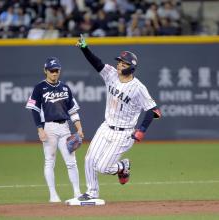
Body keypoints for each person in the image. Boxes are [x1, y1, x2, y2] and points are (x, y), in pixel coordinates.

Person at [76, 35, 161, 201]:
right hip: (106, 126)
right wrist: (84, 48)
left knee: (102, 167)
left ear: (132, 67)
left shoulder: (138, 88)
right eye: (119, 61)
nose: (120, 64)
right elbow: (97, 63)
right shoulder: (111, 74)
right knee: (89, 159)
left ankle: (123, 166)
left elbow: (153, 110)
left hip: (124, 133)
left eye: (124, 63)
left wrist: (141, 130)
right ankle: (92, 192)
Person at [26, 57, 84, 203]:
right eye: (51, 70)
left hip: (65, 127)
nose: (54, 73)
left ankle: (77, 192)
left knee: (71, 162)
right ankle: (53, 195)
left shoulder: (65, 88)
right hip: (49, 127)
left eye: (56, 70)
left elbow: (73, 111)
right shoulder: (39, 88)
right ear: (45, 71)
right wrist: (40, 129)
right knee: (49, 161)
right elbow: (34, 109)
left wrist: (79, 128)